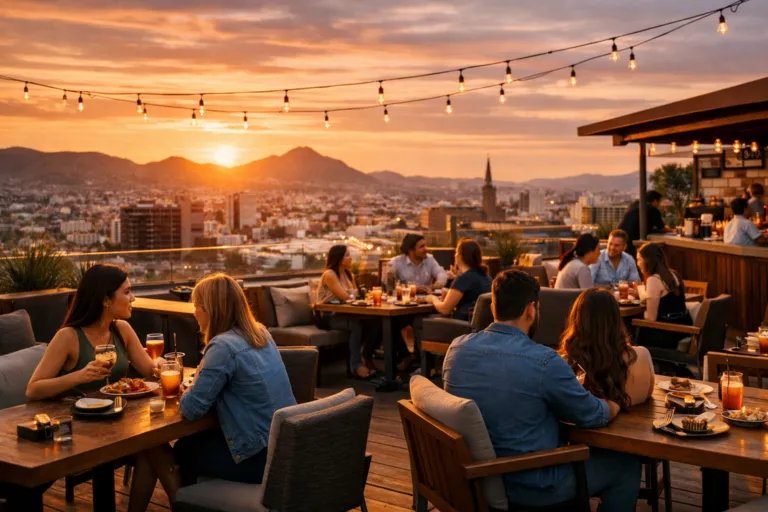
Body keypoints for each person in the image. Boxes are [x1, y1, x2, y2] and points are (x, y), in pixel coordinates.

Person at [443, 270, 640, 509]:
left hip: (473, 479)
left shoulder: (456, 350)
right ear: (531, 310)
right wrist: (613, 405)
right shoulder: (544, 361)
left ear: (494, 307)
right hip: (532, 485)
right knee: (626, 465)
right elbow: (593, 415)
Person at [128, 273, 296, 512]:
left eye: (196, 306)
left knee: (167, 447)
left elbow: (190, 409)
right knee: (156, 449)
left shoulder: (222, 346)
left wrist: (196, 379)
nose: (194, 312)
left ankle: (188, 506)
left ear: (208, 310)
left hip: (258, 460)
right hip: (283, 449)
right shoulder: (260, 333)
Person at [26, 264, 159, 400]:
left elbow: (152, 373)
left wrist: (163, 367)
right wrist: (79, 376)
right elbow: (32, 390)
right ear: (106, 300)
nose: (133, 298)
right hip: (75, 411)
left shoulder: (123, 329)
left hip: (119, 410)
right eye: (126, 292)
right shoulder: (68, 336)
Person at [559, 288, 655, 408]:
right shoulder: (642, 356)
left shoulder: (570, 366)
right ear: (617, 319)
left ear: (578, 321)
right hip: (638, 419)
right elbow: (648, 394)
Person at [316, 245, 380, 378]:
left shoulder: (348, 274)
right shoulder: (330, 274)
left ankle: (365, 356)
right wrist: (353, 294)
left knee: (375, 322)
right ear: (339, 258)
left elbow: (355, 296)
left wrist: (354, 294)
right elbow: (344, 296)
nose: (351, 258)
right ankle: (356, 366)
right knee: (356, 325)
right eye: (347, 255)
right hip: (327, 316)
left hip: (345, 313)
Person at [387, 234, 448, 370]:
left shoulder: (430, 260)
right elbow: (389, 286)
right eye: (421, 247)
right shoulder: (396, 262)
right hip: (403, 308)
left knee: (420, 322)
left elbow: (442, 274)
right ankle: (405, 356)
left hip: (425, 307)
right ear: (410, 250)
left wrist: (435, 286)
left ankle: (422, 361)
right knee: (389, 324)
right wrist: (411, 289)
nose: (426, 249)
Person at [635, 243, 693, 349]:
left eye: (639, 260)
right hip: (682, 329)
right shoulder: (674, 274)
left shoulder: (654, 280)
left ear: (647, 261)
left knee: (631, 327)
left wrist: (643, 313)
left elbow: (651, 319)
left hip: (666, 334)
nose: (637, 263)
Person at [427, 238, 491, 320]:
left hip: (461, 324)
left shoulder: (463, 279)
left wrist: (433, 299)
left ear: (460, 257)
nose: (455, 255)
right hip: (477, 324)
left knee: (420, 321)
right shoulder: (486, 276)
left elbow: (445, 309)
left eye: (456, 252)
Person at [618, 190, 675, 257]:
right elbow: (662, 229)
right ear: (655, 201)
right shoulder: (652, 209)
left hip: (619, 237)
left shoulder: (634, 205)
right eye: (659, 202)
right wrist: (674, 230)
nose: (659, 205)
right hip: (632, 242)